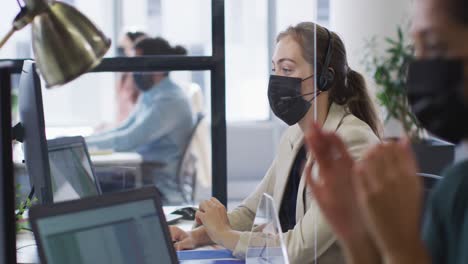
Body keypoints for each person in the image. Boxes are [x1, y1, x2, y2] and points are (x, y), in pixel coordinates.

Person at [170, 22, 381, 263]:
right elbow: (251, 211)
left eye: (287, 70)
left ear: (325, 79)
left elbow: (298, 248)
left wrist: (223, 234)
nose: (277, 80)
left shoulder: (352, 143)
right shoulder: (295, 136)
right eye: (274, 69)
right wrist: (198, 235)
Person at [304, 0, 468, 263]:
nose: (419, 68)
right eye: (416, 50)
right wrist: (355, 232)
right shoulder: (456, 188)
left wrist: (399, 244)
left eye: (436, 46)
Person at [86, 37, 195, 204]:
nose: (133, 71)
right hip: (141, 176)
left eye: (138, 64)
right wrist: (83, 141)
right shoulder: (152, 94)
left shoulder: (170, 101)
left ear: (157, 69)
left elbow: (129, 140)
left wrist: (83, 145)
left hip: (158, 185)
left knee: (87, 184)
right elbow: (123, 129)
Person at [115, 31, 147, 123]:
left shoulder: (142, 80)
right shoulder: (123, 76)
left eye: (127, 48)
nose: (124, 53)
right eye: (121, 49)